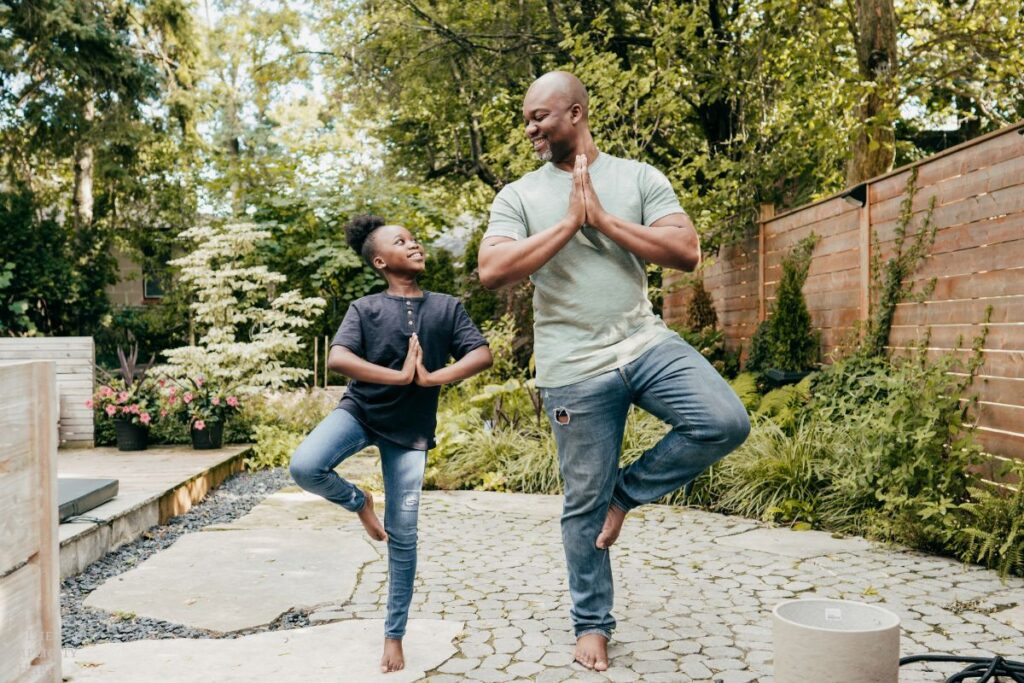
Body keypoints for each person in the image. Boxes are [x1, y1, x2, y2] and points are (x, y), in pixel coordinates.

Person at [478, 71, 751, 671]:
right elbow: (493, 270)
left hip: (644, 342)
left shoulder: (638, 178)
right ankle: (592, 624)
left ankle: (623, 496)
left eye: (539, 117)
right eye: (526, 119)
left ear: (575, 113)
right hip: (572, 367)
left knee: (724, 419)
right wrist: (569, 223)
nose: (530, 129)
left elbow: (685, 252)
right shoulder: (518, 197)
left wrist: (601, 220)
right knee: (581, 500)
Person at [290, 215, 492, 674]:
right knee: (305, 466)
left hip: (410, 430)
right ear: (381, 260)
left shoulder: (447, 307)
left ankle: (394, 633)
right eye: (401, 241)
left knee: (404, 535)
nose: (414, 242)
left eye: (414, 237)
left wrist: (431, 377)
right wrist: (399, 375)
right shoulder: (364, 309)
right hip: (359, 411)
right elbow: (338, 357)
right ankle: (359, 500)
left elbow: (481, 353)